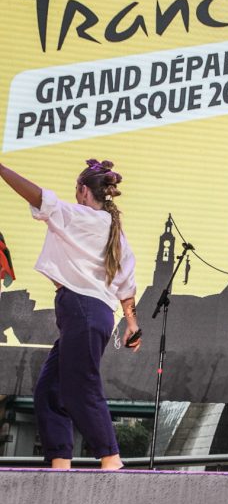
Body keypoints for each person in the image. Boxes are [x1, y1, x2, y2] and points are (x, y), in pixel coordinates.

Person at [0, 159, 141, 470]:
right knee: (50, 389)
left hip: (82, 308)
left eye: (77, 189)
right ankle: (60, 462)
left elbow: (39, 197)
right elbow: (126, 285)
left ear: (83, 190)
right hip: (93, 313)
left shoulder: (80, 216)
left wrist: (2, 169)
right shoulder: (115, 232)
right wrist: (131, 322)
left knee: (80, 386)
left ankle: (112, 460)